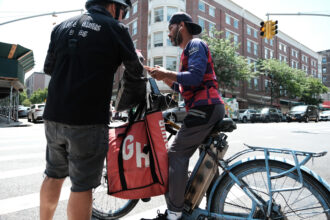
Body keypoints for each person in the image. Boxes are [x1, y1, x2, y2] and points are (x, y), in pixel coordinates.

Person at [40, 0, 145, 219]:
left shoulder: (61, 27)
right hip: (87, 118)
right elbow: (135, 71)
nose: (123, 16)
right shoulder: (116, 29)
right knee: (82, 185)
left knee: (53, 175)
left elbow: (48, 68)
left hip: (53, 115)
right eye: (123, 11)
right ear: (114, 6)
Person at [143, 12, 225, 220]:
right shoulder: (188, 51)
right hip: (207, 105)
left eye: (170, 29)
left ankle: (175, 214)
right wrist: (166, 79)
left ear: (180, 26)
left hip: (205, 107)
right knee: (207, 159)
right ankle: (213, 209)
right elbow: (186, 86)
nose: (169, 35)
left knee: (176, 154)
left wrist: (166, 73)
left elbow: (195, 77)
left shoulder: (195, 44)